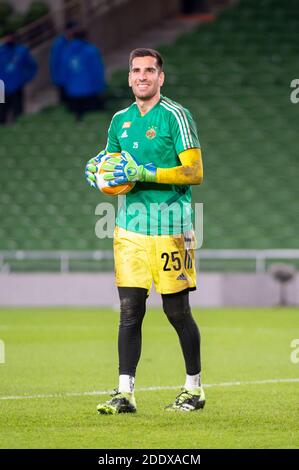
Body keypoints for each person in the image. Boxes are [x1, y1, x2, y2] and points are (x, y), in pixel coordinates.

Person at [85, 48, 204, 414]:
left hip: (173, 228)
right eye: (136, 70)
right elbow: (112, 166)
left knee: (176, 312)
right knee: (129, 310)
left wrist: (144, 173)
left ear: (160, 78)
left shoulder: (176, 116)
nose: (142, 76)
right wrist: (98, 172)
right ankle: (125, 394)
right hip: (129, 230)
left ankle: (194, 389)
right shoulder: (119, 120)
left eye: (149, 71)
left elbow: (194, 172)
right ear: (129, 77)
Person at [60, 27, 106, 121]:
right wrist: (100, 86)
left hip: (73, 91)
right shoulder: (91, 51)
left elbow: (64, 71)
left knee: (77, 119)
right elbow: (97, 71)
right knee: (91, 118)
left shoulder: (67, 51)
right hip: (90, 90)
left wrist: (65, 86)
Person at [0, 31, 37, 125]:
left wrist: (25, 78)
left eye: (10, 36)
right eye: (7, 37)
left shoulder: (21, 51)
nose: (9, 39)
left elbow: (32, 66)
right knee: (2, 115)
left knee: (18, 114)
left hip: (16, 87)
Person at [49, 20, 77, 104]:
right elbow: (54, 63)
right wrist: (56, 79)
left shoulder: (76, 42)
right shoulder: (59, 44)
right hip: (63, 80)